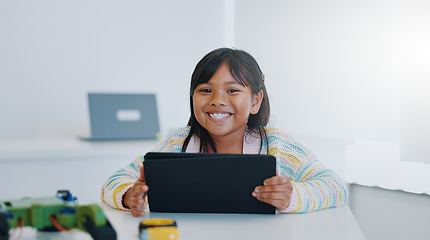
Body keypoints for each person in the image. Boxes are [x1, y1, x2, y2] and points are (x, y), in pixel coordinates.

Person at [101, 48, 348, 216]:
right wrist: (128, 196)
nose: (217, 100)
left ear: (255, 101)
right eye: (205, 90)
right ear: (192, 96)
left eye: (232, 91)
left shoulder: (279, 145)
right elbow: (112, 183)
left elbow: (336, 187)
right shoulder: (177, 143)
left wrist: (294, 196)